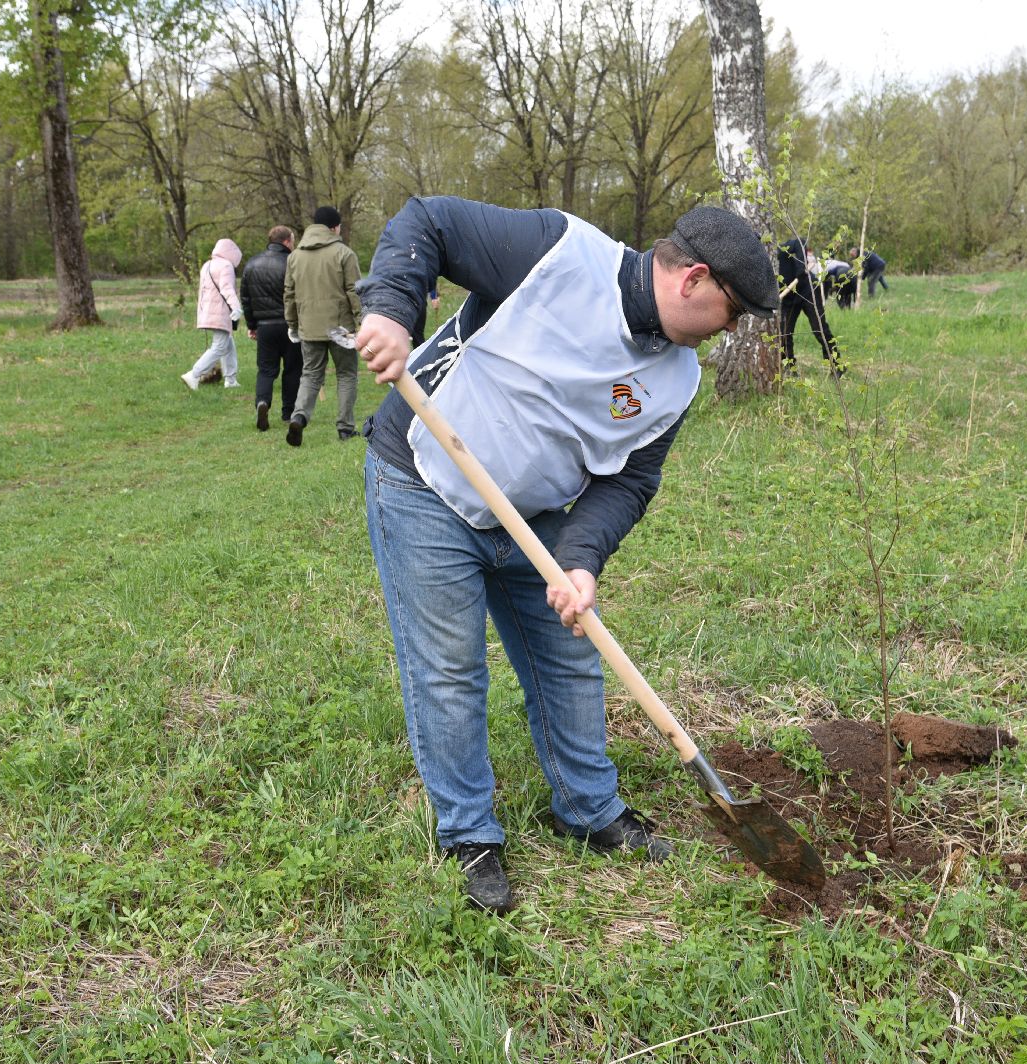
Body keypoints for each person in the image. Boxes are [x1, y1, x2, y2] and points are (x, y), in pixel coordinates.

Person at [353, 197, 777, 914]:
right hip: (425, 478)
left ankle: (588, 809)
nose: (730, 331)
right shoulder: (555, 253)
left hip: (536, 516)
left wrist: (581, 560)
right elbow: (426, 221)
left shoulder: (678, 380)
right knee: (450, 670)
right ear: (693, 280)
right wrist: (393, 311)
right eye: (732, 313)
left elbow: (630, 480)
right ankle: (470, 836)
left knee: (571, 657)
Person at [283, 205, 363, 446]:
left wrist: (292, 323)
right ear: (334, 227)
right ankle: (345, 428)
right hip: (341, 327)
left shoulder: (294, 256)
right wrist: (363, 321)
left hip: (309, 326)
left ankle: (299, 416)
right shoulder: (344, 253)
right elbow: (355, 290)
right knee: (347, 374)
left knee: (310, 375)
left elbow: (289, 293)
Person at [240, 226, 303, 432]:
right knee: (292, 370)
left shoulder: (252, 264)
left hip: (265, 326)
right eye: (292, 241)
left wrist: (251, 325)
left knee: (266, 369)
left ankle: (263, 402)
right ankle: (288, 412)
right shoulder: (293, 263)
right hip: (290, 325)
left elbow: (246, 298)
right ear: (286, 241)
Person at [180, 238, 244, 391]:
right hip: (220, 312)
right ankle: (194, 375)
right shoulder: (226, 266)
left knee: (228, 344)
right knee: (220, 346)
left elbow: (203, 292)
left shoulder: (207, 265)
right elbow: (226, 288)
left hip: (208, 312)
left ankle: (230, 379)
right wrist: (236, 307)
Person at [777, 240, 839, 373]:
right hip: (788, 297)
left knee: (819, 329)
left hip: (808, 289)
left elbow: (800, 242)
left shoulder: (779, 250)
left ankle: (837, 365)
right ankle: (789, 368)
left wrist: (800, 268)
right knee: (784, 333)